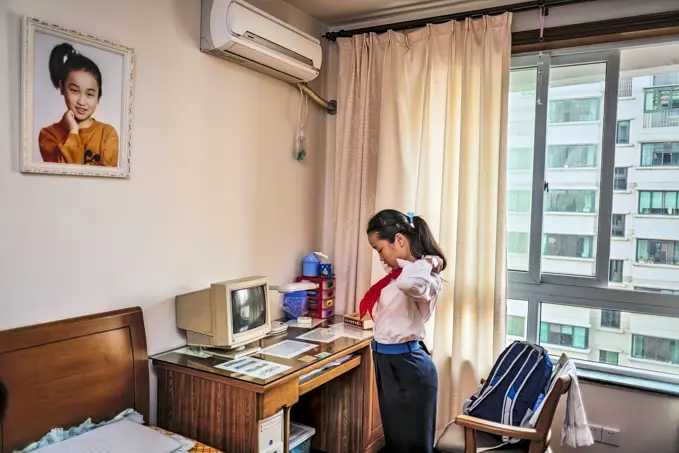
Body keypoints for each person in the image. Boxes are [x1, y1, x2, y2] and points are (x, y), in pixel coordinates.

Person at [362, 209, 446, 453]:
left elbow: (408, 284)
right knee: (396, 442)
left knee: (415, 446)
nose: (380, 258)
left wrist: (428, 260)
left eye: (379, 249)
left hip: (409, 366)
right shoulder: (395, 276)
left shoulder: (426, 278)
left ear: (399, 240)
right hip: (386, 363)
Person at [38, 43, 119, 167]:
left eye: (90, 94)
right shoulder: (48, 135)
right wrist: (73, 130)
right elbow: (68, 176)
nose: (81, 101)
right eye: (75, 90)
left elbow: (107, 183)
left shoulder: (107, 134)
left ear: (98, 97)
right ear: (62, 87)